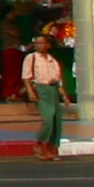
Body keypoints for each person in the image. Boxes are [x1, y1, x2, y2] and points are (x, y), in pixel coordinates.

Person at [22, 32, 67, 161]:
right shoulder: (31, 58)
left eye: (41, 43)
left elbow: (58, 80)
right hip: (41, 89)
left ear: (47, 45)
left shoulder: (52, 60)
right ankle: (40, 143)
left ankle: (50, 148)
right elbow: (26, 76)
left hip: (53, 90)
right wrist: (30, 91)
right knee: (48, 119)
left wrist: (64, 96)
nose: (38, 45)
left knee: (56, 120)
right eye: (36, 43)